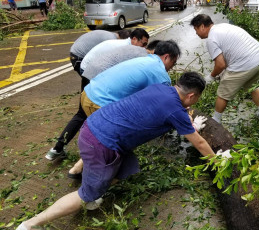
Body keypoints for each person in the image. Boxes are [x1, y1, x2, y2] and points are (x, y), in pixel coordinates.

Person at [15, 72, 214, 230]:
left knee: (126, 166)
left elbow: (170, 116)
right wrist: (218, 162)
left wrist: (188, 123)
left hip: (93, 127)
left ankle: (94, 193)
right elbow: (200, 144)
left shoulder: (160, 89)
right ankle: (30, 225)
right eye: (197, 99)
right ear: (192, 95)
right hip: (102, 143)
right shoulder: (175, 109)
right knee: (85, 194)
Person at [68, 40, 180, 177]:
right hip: (99, 102)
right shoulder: (160, 73)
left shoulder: (143, 59)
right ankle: (98, 179)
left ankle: (77, 168)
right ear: (167, 57)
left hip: (88, 93)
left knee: (100, 137)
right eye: (173, 63)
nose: (172, 68)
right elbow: (168, 103)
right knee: (116, 139)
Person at [45, 29, 135, 161]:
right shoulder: (113, 42)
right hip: (86, 66)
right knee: (91, 111)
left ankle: (57, 148)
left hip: (85, 65)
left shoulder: (109, 38)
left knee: (84, 111)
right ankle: (93, 150)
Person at [190, 14, 259, 123]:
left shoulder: (211, 38)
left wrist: (211, 77)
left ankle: (215, 121)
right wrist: (222, 72)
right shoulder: (223, 27)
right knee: (252, 86)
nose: (196, 33)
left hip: (245, 63)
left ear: (202, 26)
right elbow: (226, 57)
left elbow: (220, 64)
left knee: (222, 93)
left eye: (196, 29)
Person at [82, 40, 160, 80]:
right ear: (154, 51)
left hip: (89, 69)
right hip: (97, 74)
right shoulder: (144, 57)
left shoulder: (134, 48)